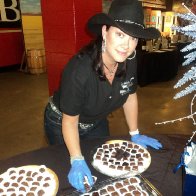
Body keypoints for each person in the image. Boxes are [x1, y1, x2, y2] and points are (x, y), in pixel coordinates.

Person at [44, 0, 162, 193]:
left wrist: (135, 133)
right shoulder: (79, 70)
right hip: (61, 122)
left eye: (133, 38)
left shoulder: (129, 60)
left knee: (105, 168)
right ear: (104, 32)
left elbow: (130, 96)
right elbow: (69, 121)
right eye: (120, 34)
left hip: (96, 120)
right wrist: (76, 158)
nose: (127, 45)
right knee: (72, 174)